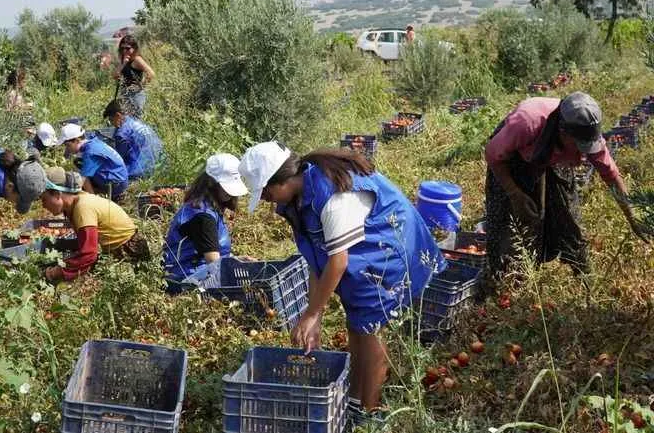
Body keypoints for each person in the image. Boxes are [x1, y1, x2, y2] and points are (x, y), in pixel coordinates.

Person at [238, 142, 445, 418]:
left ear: (283, 179)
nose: (265, 199)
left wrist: (313, 313)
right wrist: (315, 317)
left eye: (265, 192)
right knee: (356, 319)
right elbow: (317, 260)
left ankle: (369, 412)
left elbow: (338, 261)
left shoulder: (332, 196)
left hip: (390, 243)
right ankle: (356, 399)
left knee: (369, 323)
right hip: (362, 248)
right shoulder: (299, 199)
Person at [484, 92, 650, 284]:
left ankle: (586, 280)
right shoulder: (526, 123)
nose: (582, 155)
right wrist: (514, 193)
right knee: (513, 221)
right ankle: (505, 281)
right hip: (512, 159)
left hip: (554, 156)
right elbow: (492, 155)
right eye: (579, 146)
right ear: (563, 132)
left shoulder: (586, 133)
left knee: (569, 218)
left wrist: (632, 216)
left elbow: (611, 176)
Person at [40, 167, 150, 282]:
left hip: (129, 250)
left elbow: (88, 254)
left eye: (44, 199)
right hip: (116, 249)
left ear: (57, 194)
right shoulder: (76, 203)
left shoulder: (82, 207)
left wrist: (55, 273)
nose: (43, 205)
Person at [162, 153, 249, 292]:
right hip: (186, 280)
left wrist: (237, 260)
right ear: (211, 183)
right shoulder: (203, 217)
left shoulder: (206, 206)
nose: (231, 194)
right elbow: (214, 265)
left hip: (196, 272)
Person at [59, 123, 129, 202]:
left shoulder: (90, 152)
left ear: (77, 140)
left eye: (68, 145)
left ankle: (99, 200)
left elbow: (84, 180)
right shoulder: (93, 142)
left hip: (116, 184)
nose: (67, 149)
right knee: (78, 163)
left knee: (79, 185)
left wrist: (92, 200)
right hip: (120, 178)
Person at [103, 99, 163, 180]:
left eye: (111, 119)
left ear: (118, 115)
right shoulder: (138, 122)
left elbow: (118, 159)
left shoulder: (121, 133)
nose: (111, 124)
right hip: (159, 167)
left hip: (139, 173)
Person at [113, 35, 155, 117]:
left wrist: (141, 86)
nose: (125, 51)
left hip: (136, 95)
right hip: (124, 94)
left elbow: (151, 74)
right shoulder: (124, 60)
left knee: (136, 120)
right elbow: (114, 75)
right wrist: (124, 63)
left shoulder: (137, 59)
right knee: (126, 121)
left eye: (128, 48)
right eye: (122, 48)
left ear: (134, 48)